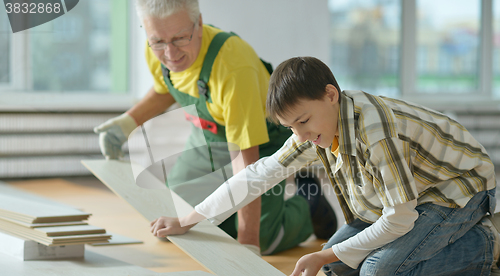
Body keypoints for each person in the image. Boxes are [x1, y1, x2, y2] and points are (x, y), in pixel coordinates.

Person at [151, 56, 500, 276]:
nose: (299, 135)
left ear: (330, 95)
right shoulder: (315, 128)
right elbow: (258, 174)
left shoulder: (375, 130)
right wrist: (189, 219)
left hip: (456, 189)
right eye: (291, 127)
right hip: (404, 199)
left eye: (302, 122)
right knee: (339, 268)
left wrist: (324, 254)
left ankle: (488, 246)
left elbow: (399, 218)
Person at [93, 0, 336, 256]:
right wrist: (126, 124)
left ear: (198, 24)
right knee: (172, 217)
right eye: (158, 41)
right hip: (208, 136)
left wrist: (248, 244)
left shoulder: (233, 68)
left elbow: (246, 168)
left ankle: (308, 206)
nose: (170, 54)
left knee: (264, 238)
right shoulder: (157, 47)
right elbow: (166, 87)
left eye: (179, 39)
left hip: (260, 140)